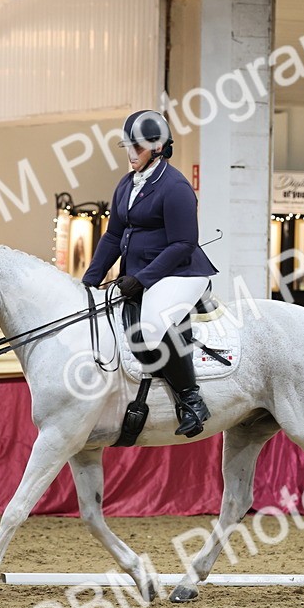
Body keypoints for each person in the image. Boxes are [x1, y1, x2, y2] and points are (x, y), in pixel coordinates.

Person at [82, 110, 219, 438]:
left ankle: (191, 400)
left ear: (158, 148)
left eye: (138, 148)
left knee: (152, 324)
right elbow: (114, 235)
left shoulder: (175, 188)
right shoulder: (126, 184)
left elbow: (184, 243)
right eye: (127, 147)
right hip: (144, 273)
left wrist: (141, 279)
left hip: (181, 273)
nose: (131, 155)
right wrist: (88, 280)